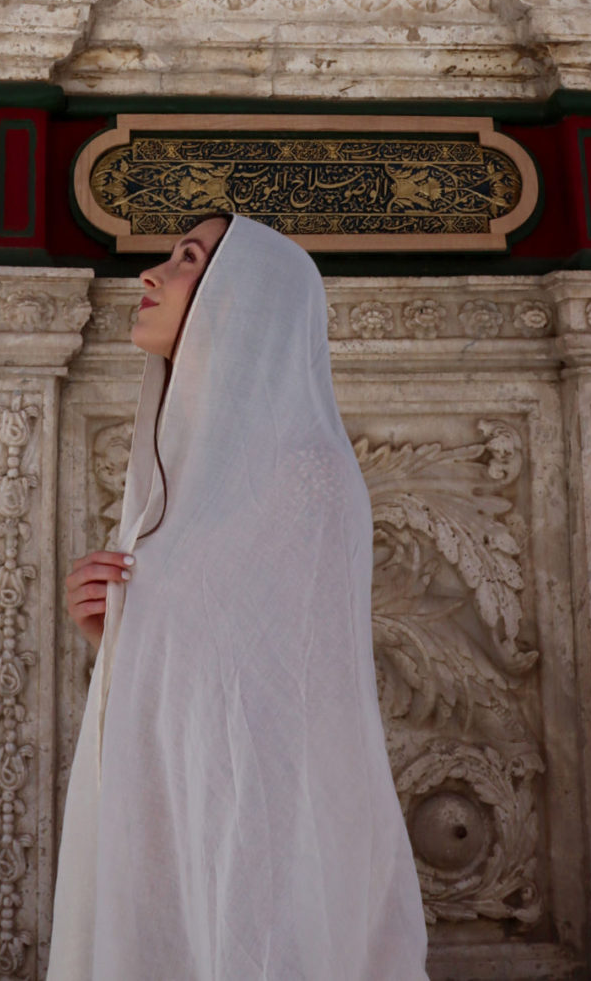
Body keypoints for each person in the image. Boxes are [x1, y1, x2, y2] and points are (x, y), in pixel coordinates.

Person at [47, 212, 430, 981]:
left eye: (188, 260)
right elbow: (210, 661)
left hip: (262, 853)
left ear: (247, 297)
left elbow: (295, 712)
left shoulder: (304, 474)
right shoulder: (186, 473)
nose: (151, 275)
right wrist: (116, 635)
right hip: (178, 823)